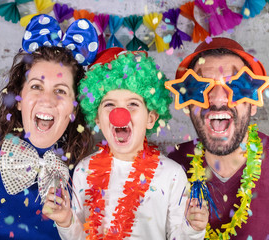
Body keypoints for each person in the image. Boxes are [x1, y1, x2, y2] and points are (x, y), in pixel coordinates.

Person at [0, 15, 97, 240]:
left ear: (75, 108)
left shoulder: (84, 181)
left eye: (60, 91)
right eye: (37, 86)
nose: (47, 100)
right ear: (19, 98)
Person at [42, 47, 209, 240]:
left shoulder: (171, 175)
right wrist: (65, 221)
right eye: (109, 105)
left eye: (133, 104)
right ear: (97, 119)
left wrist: (193, 229)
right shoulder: (83, 171)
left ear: (151, 118)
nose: (120, 114)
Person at [166, 37, 269, 239]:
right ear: (188, 105)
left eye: (236, 85)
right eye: (200, 87)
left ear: (253, 104)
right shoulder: (167, 170)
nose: (217, 99)